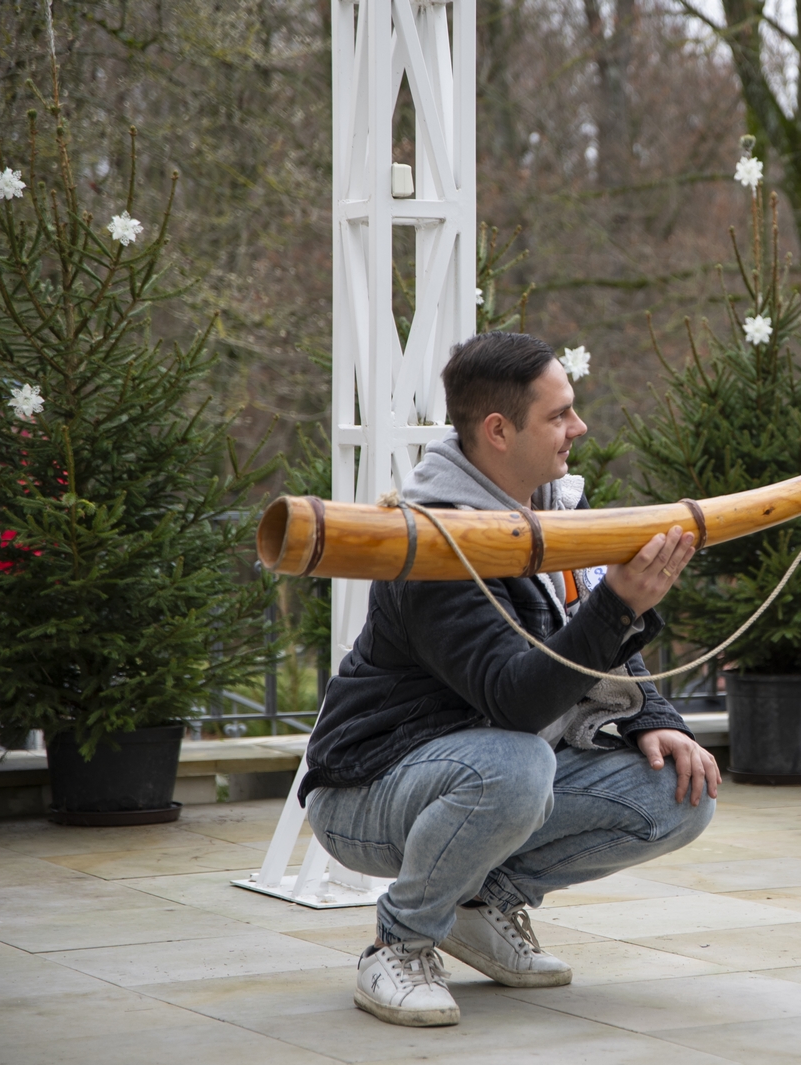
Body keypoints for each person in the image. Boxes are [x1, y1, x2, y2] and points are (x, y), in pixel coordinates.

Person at [299, 331, 720, 1028]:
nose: (579, 428)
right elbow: (516, 701)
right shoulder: (435, 545)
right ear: (499, 431)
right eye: (559, 415)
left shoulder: (553, 505)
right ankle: (399, 945)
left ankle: (477, 902)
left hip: (483, 768)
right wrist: (620, 604)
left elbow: (586, 629)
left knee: (680, 791)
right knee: (517, 764)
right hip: (365, 789)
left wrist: (654, 718)